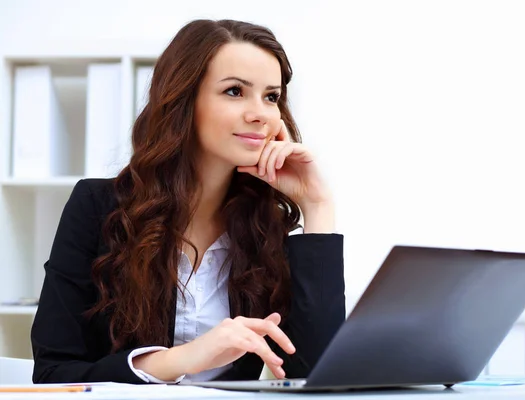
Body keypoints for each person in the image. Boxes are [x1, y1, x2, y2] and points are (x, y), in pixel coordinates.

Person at [30, 19, 345, 384]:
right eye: (234, 91)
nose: (259, 113)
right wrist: (183, 359)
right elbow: (54, 374)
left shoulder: (265, 230)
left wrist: (317, 207)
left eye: (271, 97)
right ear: (183, 100)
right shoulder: (98, 207)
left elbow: (316, 378)